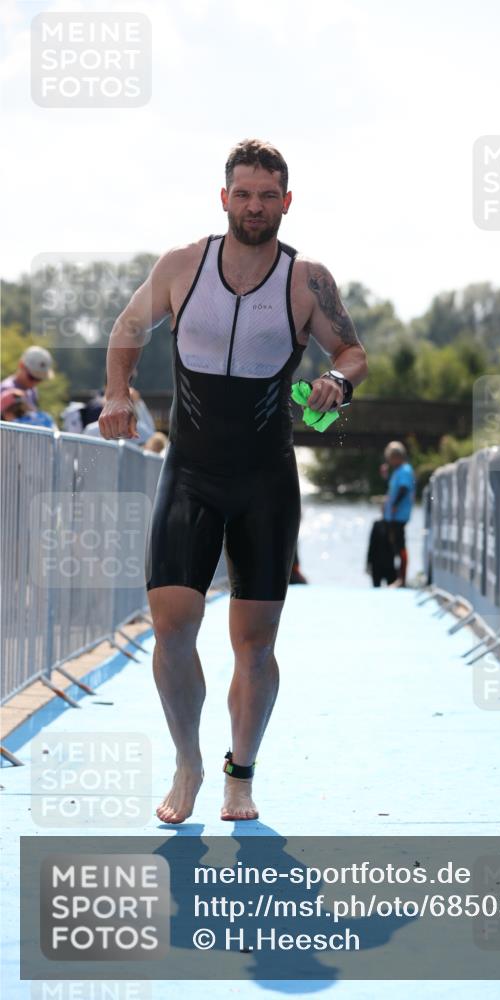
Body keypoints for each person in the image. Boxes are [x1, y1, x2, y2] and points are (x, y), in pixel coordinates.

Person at [98, 138, 368, 824]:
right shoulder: (181, 265)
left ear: (285, 201)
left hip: (264, 479)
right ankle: (188, 761)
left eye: (266, 195)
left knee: (254, 641)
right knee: (173, 624)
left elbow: (351, 350)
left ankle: (238, 774)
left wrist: (336, 379)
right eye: (242, 194)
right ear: (224, 199)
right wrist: (116, 392)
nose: (254, 206)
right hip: (189, 471)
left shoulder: (306, 280)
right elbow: (128, 325)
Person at [382, 441, 416, 588]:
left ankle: (402, 578)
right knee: (395, 544)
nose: (390, 461)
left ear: (398, 457)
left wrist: (395, 505)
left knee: (400, 544)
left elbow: (403, 489)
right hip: (393, 515)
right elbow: (394, 488)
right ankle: (398, 577)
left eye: (392, 458)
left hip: (399, 515)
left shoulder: (405, 470)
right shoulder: (398, 471)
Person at [1, 345, 55, 409]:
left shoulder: (32, 390)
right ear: (21, 365)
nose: (34, 383)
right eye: (32, 377)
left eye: (39, 379)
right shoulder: (6, 390)